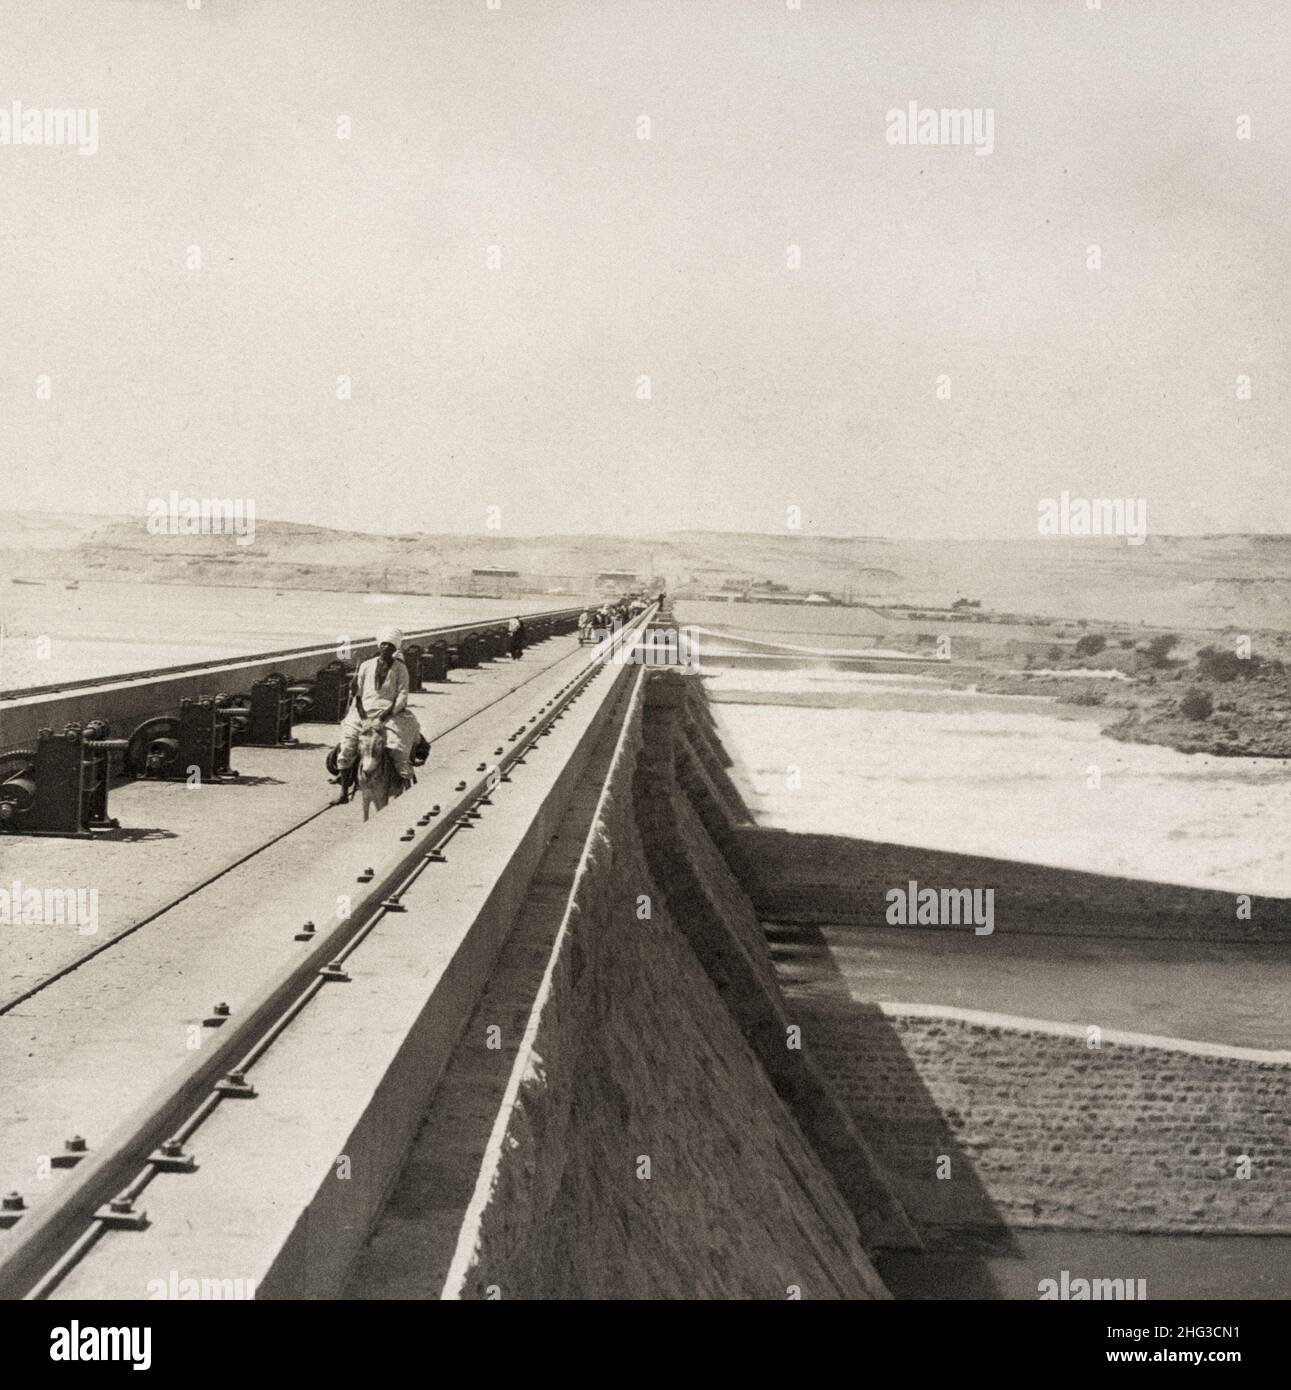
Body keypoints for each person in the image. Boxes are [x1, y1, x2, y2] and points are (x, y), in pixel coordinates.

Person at [334, 625, 422, 801]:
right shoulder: (366, 666)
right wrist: (362, 714)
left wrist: (384, 716)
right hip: (362, 714)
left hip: (390, 714)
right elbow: (357, 696)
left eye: (390, 646)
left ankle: (405, 781)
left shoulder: (400, 668)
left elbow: (402, 694)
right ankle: (344, 791)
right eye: (384, 645)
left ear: (395, 649)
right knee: (348, 747)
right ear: (379, 646)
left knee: (397, 747)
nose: (386, 649)